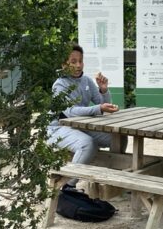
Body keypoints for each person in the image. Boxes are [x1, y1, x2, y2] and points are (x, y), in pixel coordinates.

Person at [47, 44, 118, 179]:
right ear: (64, 65)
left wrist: (103, 90)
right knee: (87, 144)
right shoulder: (59, 84)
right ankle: (69, 186)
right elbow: (70, 111)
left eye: (80, 61)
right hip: (57, 128)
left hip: (80, 126)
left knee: (117, 138)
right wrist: (99, 108)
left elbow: (101, 102)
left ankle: (114, 177)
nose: (78, 65)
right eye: (73, 62)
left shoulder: (86, 80)